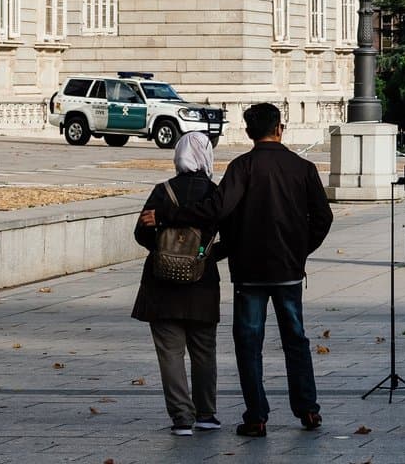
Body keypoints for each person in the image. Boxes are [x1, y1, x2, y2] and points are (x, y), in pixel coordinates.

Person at [144, 103, 333, 438]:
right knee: (296, 340)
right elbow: (323, 218)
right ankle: (308, 409)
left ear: (248, 133)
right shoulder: (303, 168)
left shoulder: (242, 167)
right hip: (288, 270)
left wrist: (167, 216)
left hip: (249, 272)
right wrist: (300, 251)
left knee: (249, 342)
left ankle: (257, 416)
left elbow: (217, 209)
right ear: (280, 128)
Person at [131, 132, 225, 436]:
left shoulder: (163, 192)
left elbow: (141, 233)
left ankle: (181, 418)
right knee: (204, 351)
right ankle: (206, 414)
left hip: (162, 285)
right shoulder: (214, 193)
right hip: (203, 285)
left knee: (170, 353)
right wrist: (205, 256)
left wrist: (165, 250)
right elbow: (232, 238)